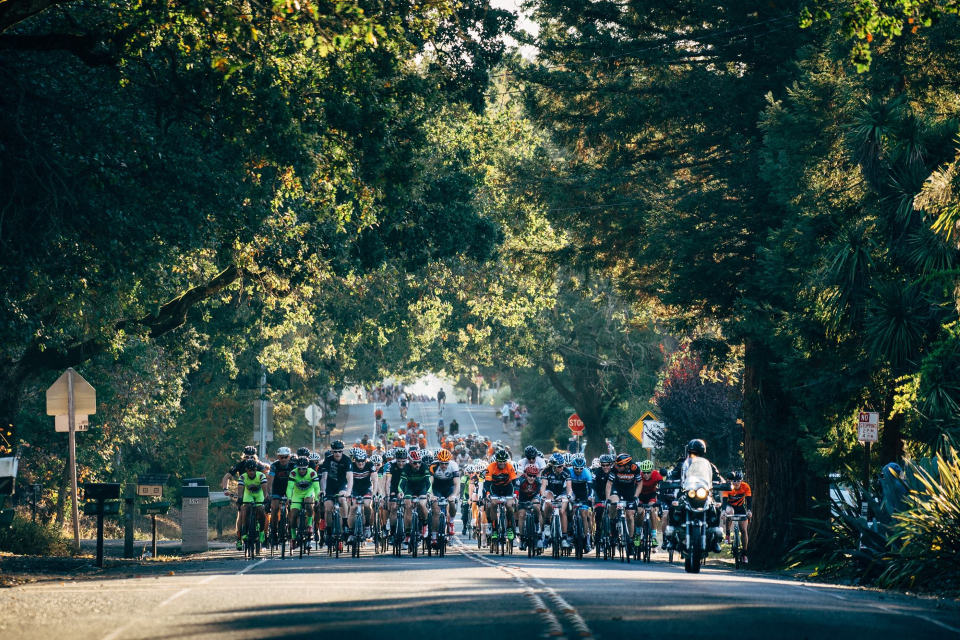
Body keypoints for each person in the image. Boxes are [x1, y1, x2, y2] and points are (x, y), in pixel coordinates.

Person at [664, 439, 725, 553]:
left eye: (697, 453)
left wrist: (722, 482)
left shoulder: (708, 465)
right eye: (692, 452)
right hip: (686, 492)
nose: (694, 455)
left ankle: (715, 539)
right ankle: (672, 536)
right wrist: (670, 480)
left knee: (715, 506)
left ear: (702, 454)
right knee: (674, 506)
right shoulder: (682, 464)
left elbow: (717, 477)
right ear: (688, 452)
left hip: (703, 493)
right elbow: (672, 475)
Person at [223, 446, 270, 550]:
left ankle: (262, 532)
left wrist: (267, 494)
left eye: (251, 457)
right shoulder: (239, 465)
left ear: (255, 457)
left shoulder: (259, 466)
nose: (249, 459)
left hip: (258, 491)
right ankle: (240, 537)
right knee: (242, 512)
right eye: (246, 457)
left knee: (261, 510)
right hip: (245, 491)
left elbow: (267, 479)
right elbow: (227, 477)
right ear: (243, 457)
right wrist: (225, 489)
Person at [320, 440, 354, 547]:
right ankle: (329, 531)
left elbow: (350, 478)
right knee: (328, 507)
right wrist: (323, 490)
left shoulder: (347, 460)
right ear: (332, 451)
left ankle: (344, 523)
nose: (338, 454)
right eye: (335, 452)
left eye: (340, 451)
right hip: (330, 486)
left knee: (343, 499)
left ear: (342, 451)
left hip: (341, 485)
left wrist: (348, 491)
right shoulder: (328, 460)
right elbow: (324, 478)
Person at [605, 453, 641, 546]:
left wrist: (636, 496)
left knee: (630, 515)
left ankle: (631, 539)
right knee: (614, 502)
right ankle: (613, 525)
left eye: (620, 465)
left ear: (627, 465)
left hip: (629, 491)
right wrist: (607, 498)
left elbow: (640, 484)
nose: (617, 466)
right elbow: (609, 484)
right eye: (616, 464)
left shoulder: (635, 468)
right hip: (617, 489)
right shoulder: (615, 468)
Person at [399, 449, 432, 548]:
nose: (417, 464)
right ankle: (408, 535)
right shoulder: (406, 468)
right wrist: (400, 492)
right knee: (407, 506)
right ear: (409, 461)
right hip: (410, 489)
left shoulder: (424, 467)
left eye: (419, 462)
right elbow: (401, 483)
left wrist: (428, 493)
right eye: (415, 462)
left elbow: (428, 482)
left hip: (422, 488)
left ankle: (425, 525)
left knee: (422, 504)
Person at [484, 450, 518, 543]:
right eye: (500, 461)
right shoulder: (491, 467)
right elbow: (487, 483)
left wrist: (515, 493)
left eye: (504, 461)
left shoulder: (509, 467)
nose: (502, 463)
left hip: (507, 488)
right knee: (493, 504)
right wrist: (488, 494)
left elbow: (515, 482)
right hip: (494, 488)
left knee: (510, 506)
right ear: (496, 461)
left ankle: (510, 527)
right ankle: (494, 529)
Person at [286, 456, 319, 549]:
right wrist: (289, 497)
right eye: (299, 468)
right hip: (297, 494)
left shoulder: (312, 473)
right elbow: (289, 487)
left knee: (308, 504)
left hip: (309, 492)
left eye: (303, 469)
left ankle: (309, 525)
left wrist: (316, 498)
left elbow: (317, 488)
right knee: (294, 515)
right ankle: (293, 537)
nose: (301, 471)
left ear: (307, 467)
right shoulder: (293, 473)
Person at [428, 449, 460, 542]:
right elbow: (430, 483)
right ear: (438, 461)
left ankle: (451, 522)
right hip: (437, 487)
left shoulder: (453, 465)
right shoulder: (433, 466)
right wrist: (431, 495)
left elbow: (457, 483)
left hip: (449, 486)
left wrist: (453, 495)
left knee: (452, 502)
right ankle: (434, 535)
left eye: (446, 463)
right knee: (435, 509)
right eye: (442, 463)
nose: (444, 465)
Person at [541, 453, 573, 548]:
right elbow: (543, 486)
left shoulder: (566, 471)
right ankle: (547, 524)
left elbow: (569, 487)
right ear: (553, 466)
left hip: (561, 492)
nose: (562, 468)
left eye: (562, 465)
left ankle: (564, 537)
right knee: (548, 503)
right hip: (550, 491)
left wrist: (569, 495)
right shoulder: (546, 471)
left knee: (562, 511)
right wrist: (542, 496)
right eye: (559, 466)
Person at [266, 447, 296, 547]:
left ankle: (291, 528)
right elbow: (269, 482)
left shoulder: (293, 465)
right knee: (274, 508)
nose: (283, 460)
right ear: (278, 457)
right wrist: (269, 495)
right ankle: (274, 532)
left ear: (289, 457)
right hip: (277, 488)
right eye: (281, 457)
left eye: (285, 457)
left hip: (290, 489)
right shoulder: (274, 466)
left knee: (292, 508)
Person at [237, 459, 268, 548]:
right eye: (250, 470)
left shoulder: (261, 475)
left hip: (259, 494)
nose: (252, 472)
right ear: (246, 470)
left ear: (256, 469)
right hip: (248, 494)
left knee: (261, 510)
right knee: (246, 509)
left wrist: (266, 497)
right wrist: (240, 499)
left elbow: (264, 489)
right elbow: (240, 488)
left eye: (254, 470)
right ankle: (245, 532)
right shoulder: (243, 477)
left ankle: (261, 532)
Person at [722, 471, 752, 561]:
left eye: (738, 481)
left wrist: (749, 511)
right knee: (730, 512)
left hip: (740, 507)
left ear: (741, 480)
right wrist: (723, 511)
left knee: (743, 530)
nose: (736, 483)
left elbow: (749, 500)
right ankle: (727, 534)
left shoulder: (745, 486)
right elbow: (724, 501)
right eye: (734, 481)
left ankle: (744, 553)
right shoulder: (728, 487)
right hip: (729, 506)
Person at [348, 449, 377, 541]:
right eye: (358, 461)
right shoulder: (351, 466)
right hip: (354, 488)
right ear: (354, 460)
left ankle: (367, 525)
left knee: (367, 504)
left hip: (366, 488)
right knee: (352, 508)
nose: (360, 463)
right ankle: (351, 532)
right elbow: (347, 480)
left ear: (366, 460)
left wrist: (374, 493)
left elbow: (375, 481)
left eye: (362, 461)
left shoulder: (370, 465)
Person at [568, 455, 595, 552]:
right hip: (573, 492)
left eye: (581, 469)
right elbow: (567, 487)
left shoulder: (587, 473)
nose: (579, 470)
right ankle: (570, 532)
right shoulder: (569, 472)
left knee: (584, 514)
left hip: (583, 494)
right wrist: (570, 496)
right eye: (576, 469)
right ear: (573, 467)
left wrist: (590, 496)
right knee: (570, 512)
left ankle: (585, 538)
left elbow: (591, 489)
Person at [636, 459, 662, 549]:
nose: (646, 475)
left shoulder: (656, 474)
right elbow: (633, 487)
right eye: (644, 473)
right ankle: (638, 533)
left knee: (652, 511)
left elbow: (661, 486)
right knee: (639, 512)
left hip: (651, 495)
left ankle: (654, 536)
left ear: (651, 471)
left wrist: (660, 500)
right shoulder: (639, 475)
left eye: (648, 472)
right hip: (641, 495)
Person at [516, 464, 542, 551]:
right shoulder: (520, 480)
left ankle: (537, 525)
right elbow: (516, 492)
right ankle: (522, 537)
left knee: (536, 506)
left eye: (534, 476)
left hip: (533, 497)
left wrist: (541, 499)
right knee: (521, 515)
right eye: (530, 475)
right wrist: (515, 499)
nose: (532, 478)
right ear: (525, 474)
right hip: (523, 498)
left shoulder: (538, 481)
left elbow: (540, 493)